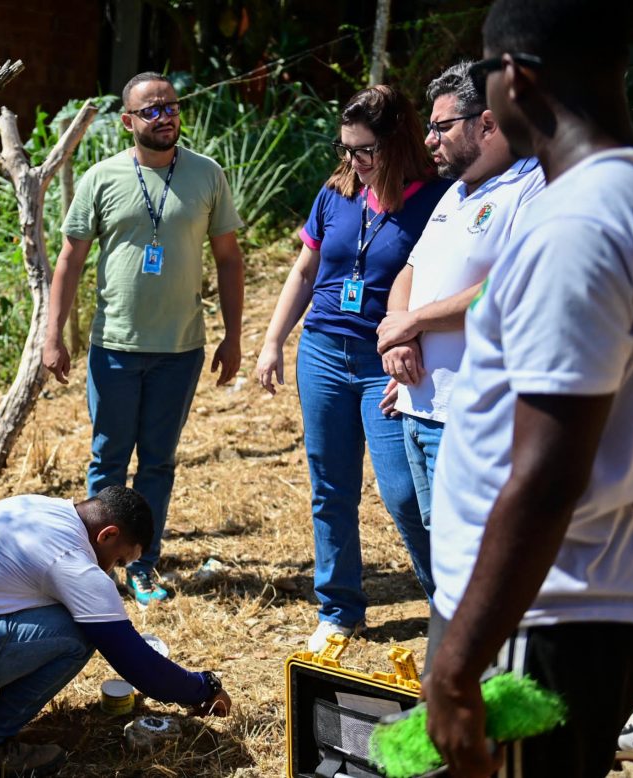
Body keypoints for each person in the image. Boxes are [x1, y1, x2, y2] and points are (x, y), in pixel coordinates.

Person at [421, 1, 633, 776]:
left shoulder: (576, 229)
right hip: (599, 599)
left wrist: (458, 663)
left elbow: (548, 473)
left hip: (541, 613)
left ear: (515, 78)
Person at [255, 85, 450, 653]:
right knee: (331, 488)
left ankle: (452, 606)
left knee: (404, 494)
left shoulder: (437, 200)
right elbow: (304, 271)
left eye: (366, 150)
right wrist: (273, 341)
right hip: (321, 351)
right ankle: (339, 609)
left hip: (384, 363)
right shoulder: (336, 192)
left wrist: (408, 349)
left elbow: (440, 286)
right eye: (346, 148)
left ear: (398, 142)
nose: (355, 160)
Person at [0, 486, 231, 777]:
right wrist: (202, 687)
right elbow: (140, 666)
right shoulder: (71, 561)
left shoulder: (39, 508)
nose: (110, 572)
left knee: (10, 604)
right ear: (107, 534)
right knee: (78, 635)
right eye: (118, 560)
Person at [43, 72, 246, 608]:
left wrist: (233, 336)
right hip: (114, 347)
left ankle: (142, 563)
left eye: (171, 107)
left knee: (158, 462)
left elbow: (229, 259)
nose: (165, 117)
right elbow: (69, 260)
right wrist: (53, 335)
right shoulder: (102, 178)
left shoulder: (207, 174)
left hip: (180, 349)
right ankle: (93, 566)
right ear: (127, 121)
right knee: (108, 459)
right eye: (151, 110)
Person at [375, 61, 545, 528]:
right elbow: (410, 271)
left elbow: (512, 289)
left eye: (441, 127)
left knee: (470, 552)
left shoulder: (534, 186)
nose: (430, 140)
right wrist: (399, 338)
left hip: (474, 418)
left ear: (487, 123)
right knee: (435, 546)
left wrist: (415, 321)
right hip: (417, 405)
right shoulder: (455, 192)